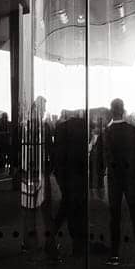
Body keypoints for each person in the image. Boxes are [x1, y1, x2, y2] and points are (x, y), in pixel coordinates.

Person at [104, 98, 135, 265]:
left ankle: (114, 254)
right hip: (130, 179)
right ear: (123, 111)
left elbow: (105, 158)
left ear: (111, 111)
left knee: (114, 217)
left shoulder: (107, 133)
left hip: (114, 180)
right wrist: (134, 176)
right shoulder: (133, 130)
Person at [46, 111, 88, 259]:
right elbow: (83, 154)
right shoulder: (83, 128)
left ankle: (51, 237)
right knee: (73, 208)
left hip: (64, 174)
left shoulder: (60, 128)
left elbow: (57, 152)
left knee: (67, 206)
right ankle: (76, 244)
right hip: (77, 175)